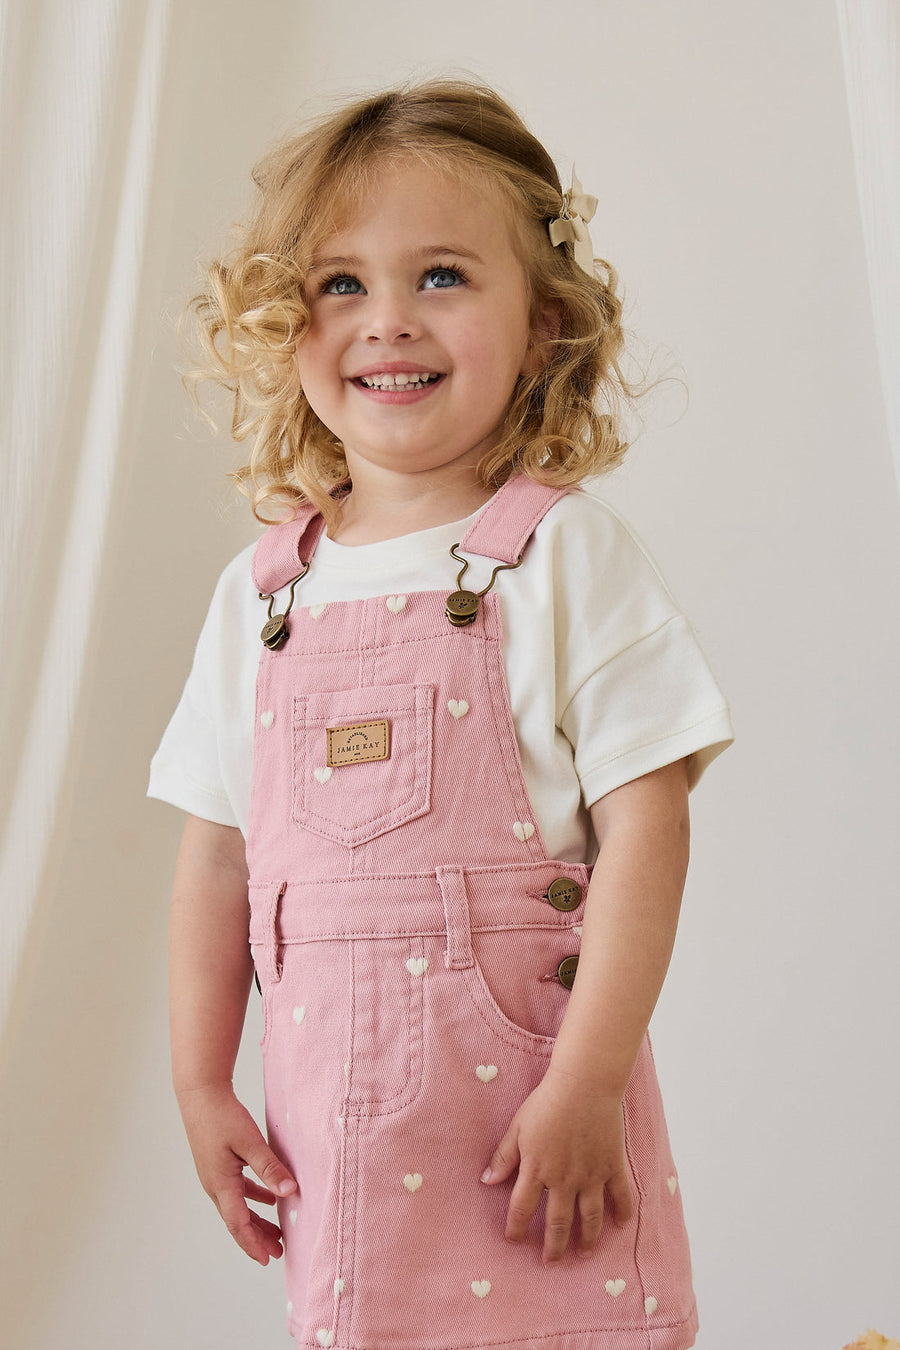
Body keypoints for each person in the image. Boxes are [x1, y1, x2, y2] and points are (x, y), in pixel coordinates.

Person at [149, 79, 733, 1350]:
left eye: (444, 276)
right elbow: (217, 857)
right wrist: (198, 1080)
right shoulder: (261, 596)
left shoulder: (565, 557)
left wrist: (590, 1081)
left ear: (543, 326)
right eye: (340, 283)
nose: (389, 320)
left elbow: (651, 827)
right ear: (282, 322)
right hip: (342, 1144)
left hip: (537, 1132)